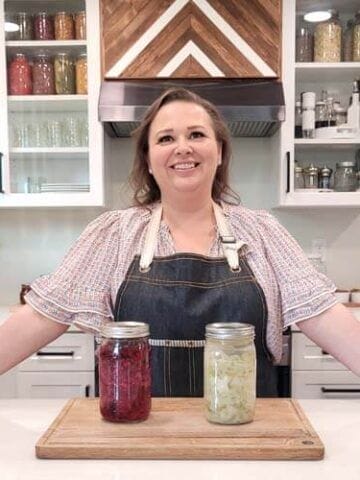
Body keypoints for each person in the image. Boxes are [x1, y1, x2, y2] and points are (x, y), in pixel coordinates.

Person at [0, 88, 359, 396]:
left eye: (196, 135)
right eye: (166, 138)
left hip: (246, 433)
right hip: (139, 431)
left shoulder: (262, 231)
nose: (182, 148)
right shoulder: (114, 233)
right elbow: (43, 316)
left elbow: (324, 315)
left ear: (219, 152)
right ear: (149, 160)